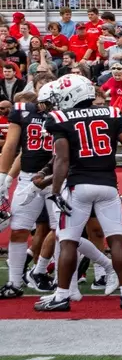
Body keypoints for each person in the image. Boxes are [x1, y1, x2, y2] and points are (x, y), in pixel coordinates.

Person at [32, 75, 122, 312]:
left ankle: (62, 296)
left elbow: (63, 159)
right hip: (108, 185)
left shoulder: (59, 118)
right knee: (117, 240)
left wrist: (55, 190)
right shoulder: (112, 113)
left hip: (78, 186)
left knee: (68, 242)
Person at [0, 90, 57, 296]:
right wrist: (4, 177)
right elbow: (13, 145)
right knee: (18, 228)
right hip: (28, 176)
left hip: (57, 178)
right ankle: (14, 283)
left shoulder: (64, 112)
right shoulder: (22, 111)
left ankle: (63, 282)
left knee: (63, 231)